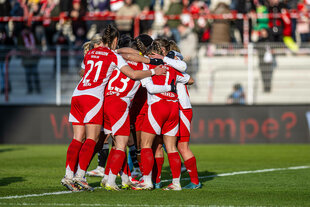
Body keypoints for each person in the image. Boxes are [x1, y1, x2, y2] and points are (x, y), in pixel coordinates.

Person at [61, 25, 166, 192]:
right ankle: (85, 177)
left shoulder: (91, 53)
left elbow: (83, 72)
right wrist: (154, 68)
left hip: (78, 93)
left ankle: (69, 175)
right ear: (115, 40)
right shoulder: (114, 56)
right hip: (99, 98)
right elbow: (132, 74)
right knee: (97, 140)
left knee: (77, 138)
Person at [101, 34, 171, 191]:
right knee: (122, 144)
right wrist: (155, 71)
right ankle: (111, 181)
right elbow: (148, 85)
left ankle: (118, 178)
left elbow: (124, 52)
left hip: (108, 99)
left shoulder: (121, 59)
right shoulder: (146, 66)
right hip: (121, 102)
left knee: (116, 143)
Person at [132, 39, 187, 191]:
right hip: (173, 107)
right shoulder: (173, 67)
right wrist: (172, 86)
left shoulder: (148, 66)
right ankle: (176, 183)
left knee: (146, 145)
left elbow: (150, 88)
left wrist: (166, 86)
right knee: (171, 147)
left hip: (158, 105)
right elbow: (187, 77)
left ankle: (147, 181)